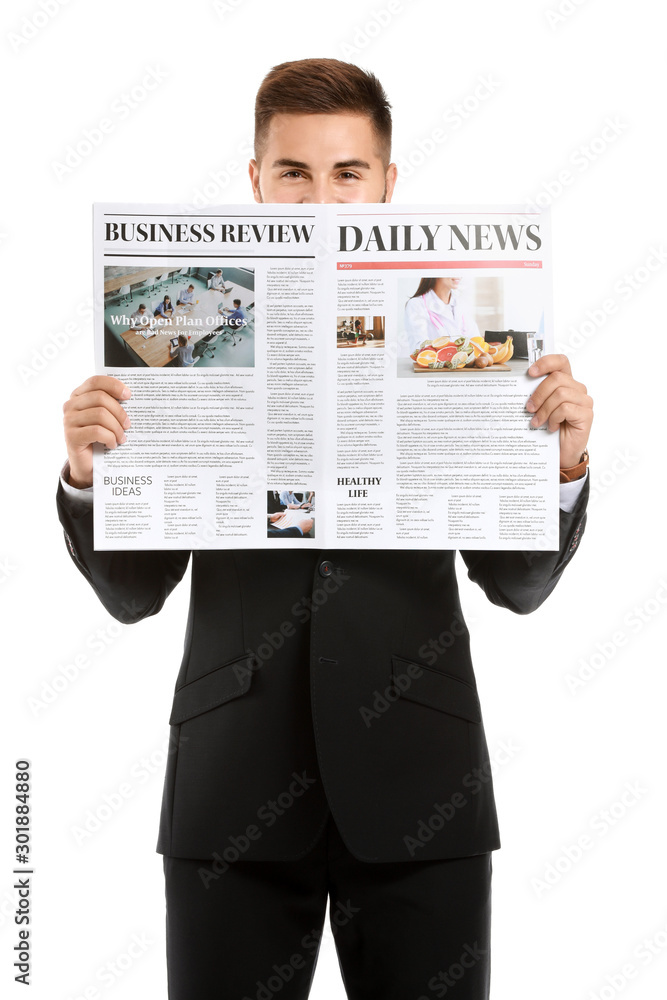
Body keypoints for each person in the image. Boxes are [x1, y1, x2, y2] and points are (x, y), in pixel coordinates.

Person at [57, 58, 593, 999]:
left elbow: (517, 585)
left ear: (387, 185)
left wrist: (556, 471)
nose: (319, 198)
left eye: (346, 173)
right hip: (229, 795)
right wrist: (91, 477)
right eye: (294, 174)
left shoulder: (459, 333)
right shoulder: (182, 330)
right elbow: (134, 595)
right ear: (256, 182)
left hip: (423, 791)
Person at [404, 275, 480, 352]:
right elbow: (420, 349)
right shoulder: (416, 304)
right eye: (452, 268)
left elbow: (476, 341)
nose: (458, 274)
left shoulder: (461, 302)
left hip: (463, 363)